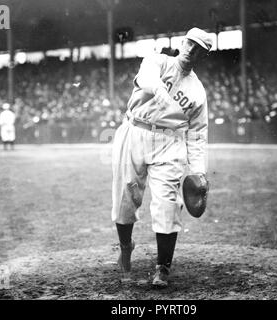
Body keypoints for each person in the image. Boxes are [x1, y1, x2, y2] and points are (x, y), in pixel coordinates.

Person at [111, 27, 212, 287]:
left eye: (200, 48)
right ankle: (125, 247)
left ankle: (163, 268)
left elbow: (198, 135)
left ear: (203, 55)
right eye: (191, 43)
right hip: (135, 130)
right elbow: (148, 79)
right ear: (182, 42)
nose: (192, 50)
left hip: (170, 142)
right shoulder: (157, 60)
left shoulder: (198, 92)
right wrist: (163, 95)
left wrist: (199, 172)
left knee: (168, 204)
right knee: (125, 198)